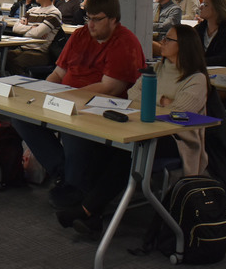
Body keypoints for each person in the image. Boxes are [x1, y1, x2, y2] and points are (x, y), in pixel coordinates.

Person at [57, 25, 209, 236]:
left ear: (183, 46)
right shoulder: (156, 69)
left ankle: (87, 209)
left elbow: (180, 112)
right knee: (103, 148)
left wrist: (154, 99)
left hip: (177, 139)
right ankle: (93, 214)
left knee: (127, 154)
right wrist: (162, 100)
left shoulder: (196, 79)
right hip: (146, 127)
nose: (162, 42)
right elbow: (132, 95)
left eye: (169, 39)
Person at [12, 0, 144, 210]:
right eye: (88, 18)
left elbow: (110, 87)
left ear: (113, 19)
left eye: (96, 19)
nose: (90, 25)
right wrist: (42, 91)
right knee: (21, 117)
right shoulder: (79, 36)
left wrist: (65, 95)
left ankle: (73, 185)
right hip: (67, 100)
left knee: (73, 129)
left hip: (99, 107)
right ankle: (64, 173)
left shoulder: (124, 42)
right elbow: (58, 73)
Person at [7, 0, 63, 74]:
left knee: (15, 63)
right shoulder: (32, 10)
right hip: (22, 49)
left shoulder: (54, 13)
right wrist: (32, 27)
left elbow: (37, 33)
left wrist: (26, 28)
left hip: (39, 53)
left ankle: (20, 87)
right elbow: (15, 28)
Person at [194, 0, 226, 68]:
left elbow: (224, 59)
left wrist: (197, 62)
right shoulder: (198, 29)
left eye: (205, 5)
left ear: (217, 9)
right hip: (201, 70)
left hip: (224, 74)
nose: (200, 7)